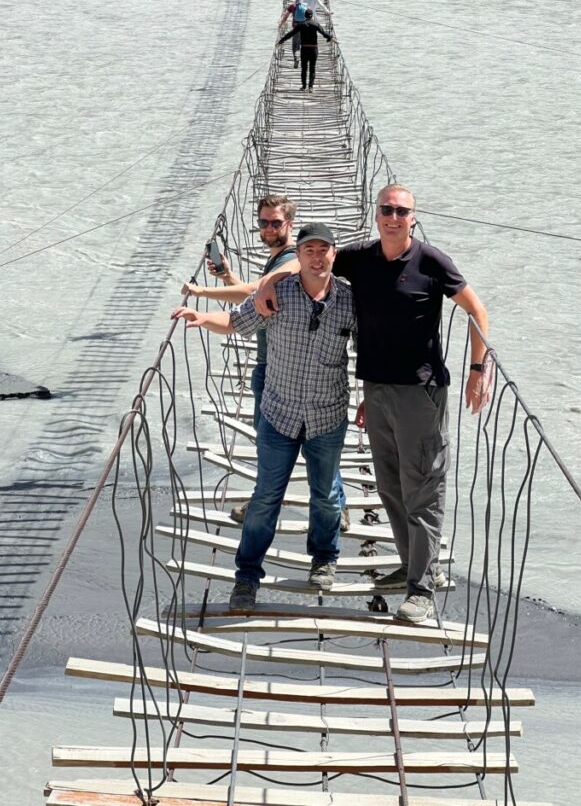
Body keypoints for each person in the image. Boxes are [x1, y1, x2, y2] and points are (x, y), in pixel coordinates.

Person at [254, 185, 492, 624]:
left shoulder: (431, 260)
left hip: (420, 392)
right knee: (390, 486)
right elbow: (309, 261)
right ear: (376, 214)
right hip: (377, 391)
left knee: (422, 487)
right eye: (386, 209)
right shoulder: (361, 258)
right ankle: (410, 565)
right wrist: (269, 280)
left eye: (401, 211)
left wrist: (478, 369)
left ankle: (422, 587)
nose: (393, 217)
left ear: (413, 218)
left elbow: (477, 310)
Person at [172, 223, 356, 611]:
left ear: (334, 255)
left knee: (325, 497)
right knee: (265, 497)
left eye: (324, 250)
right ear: (299, 255)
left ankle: (324, 560)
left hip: (327, 415)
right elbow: (236, 323)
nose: (317, 256)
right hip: (279, 414)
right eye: (309, 250)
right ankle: (247, 577)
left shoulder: (349, 301)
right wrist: (202, 317)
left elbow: (375, 348)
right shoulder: (275, 295)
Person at [184, 196, 349, 531]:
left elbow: (259, 290)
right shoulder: (279, 259)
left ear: (290, 224)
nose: (269, 228)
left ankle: (329, 506)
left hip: (277, 365)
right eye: (264, 222)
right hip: (273, 361)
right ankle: (324, 503)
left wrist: (200, 292)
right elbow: (256, 299)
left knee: (281, 442)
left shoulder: (292, 260)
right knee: (295, 444)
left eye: (276, 223)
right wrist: (228, 276)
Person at [277, 8, 334, 92]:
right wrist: (329, 38)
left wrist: (282, 40)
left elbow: (291, 33)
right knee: (312, 68)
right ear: (312, 16)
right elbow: (324, 33)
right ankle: (311, 87)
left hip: (304, 49)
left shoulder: (301, 25)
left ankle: (304, 87)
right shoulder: (316, 24)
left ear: (305, 16)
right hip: (314, 49)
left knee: (304, 68)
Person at [278, 0, 308, 68]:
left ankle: (296, 58)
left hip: (296, 28)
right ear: (302, 2)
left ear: (296, 2)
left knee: (295, 45)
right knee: (303, 45)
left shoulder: (292, 6)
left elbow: (286, 16)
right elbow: (311, 18)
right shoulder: (306, 7)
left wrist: (281, 24)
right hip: (305, 29)